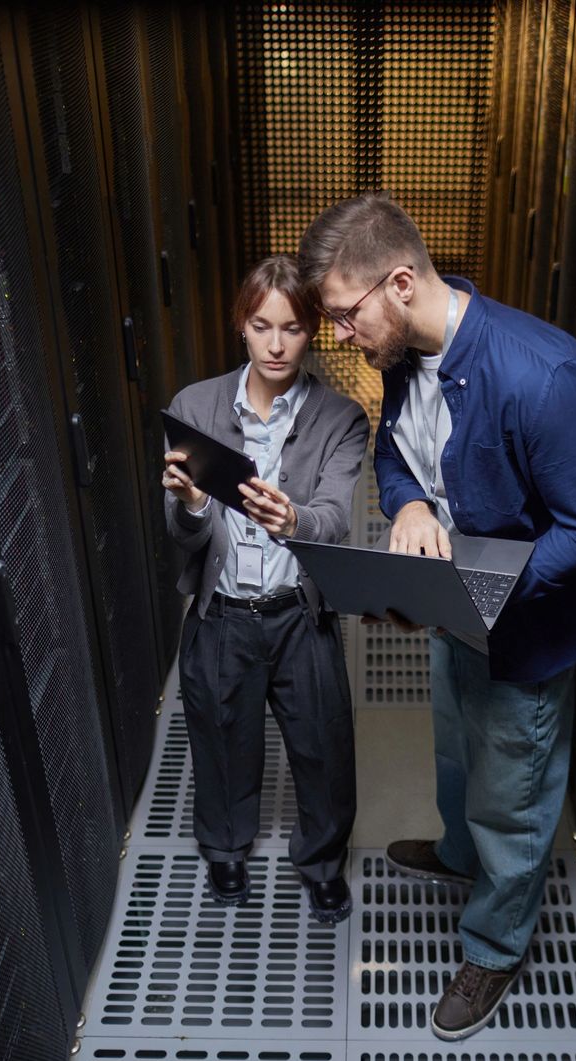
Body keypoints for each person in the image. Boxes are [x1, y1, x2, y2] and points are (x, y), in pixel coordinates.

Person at [299, 194, 576, 1037]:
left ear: (399, 283)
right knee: (454, 750)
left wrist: (479, 593)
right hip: (456, 618)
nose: (338, 335)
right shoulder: (403, 357)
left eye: (343, 314)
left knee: (513, 799)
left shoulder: (541, 375)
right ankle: (455, 857)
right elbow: (397, 455)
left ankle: (494, 944)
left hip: (524, 636)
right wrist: (407, 510)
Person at [162, 254, 369, 923]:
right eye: (262, 326)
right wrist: (193, 503)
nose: (277, 344)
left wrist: (296, 519)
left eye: (292, 328)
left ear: (312, 332)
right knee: (220, 737)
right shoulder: (194, 407)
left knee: (324, 748)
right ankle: (225, 851)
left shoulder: (342, 418)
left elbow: (336, 517)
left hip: (298, 615)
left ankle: (322, 865)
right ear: (242, 328)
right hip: (222, 613)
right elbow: (184, 537)